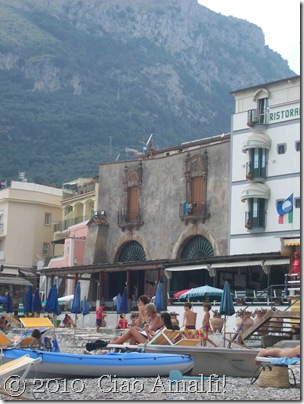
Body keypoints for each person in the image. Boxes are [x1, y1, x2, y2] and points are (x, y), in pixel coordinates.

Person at [84, 310, 173, 353]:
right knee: (134, 336)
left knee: (132, 330)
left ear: (164, 320)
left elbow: (153, 340)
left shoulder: (164, 329)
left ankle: (112, 343)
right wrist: (149, 331)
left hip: (149, 343)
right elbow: (156, 337)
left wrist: (147, 331)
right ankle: (126, 351)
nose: (159, 321)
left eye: (160, 319)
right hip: (150, 341)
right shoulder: (166, 329)